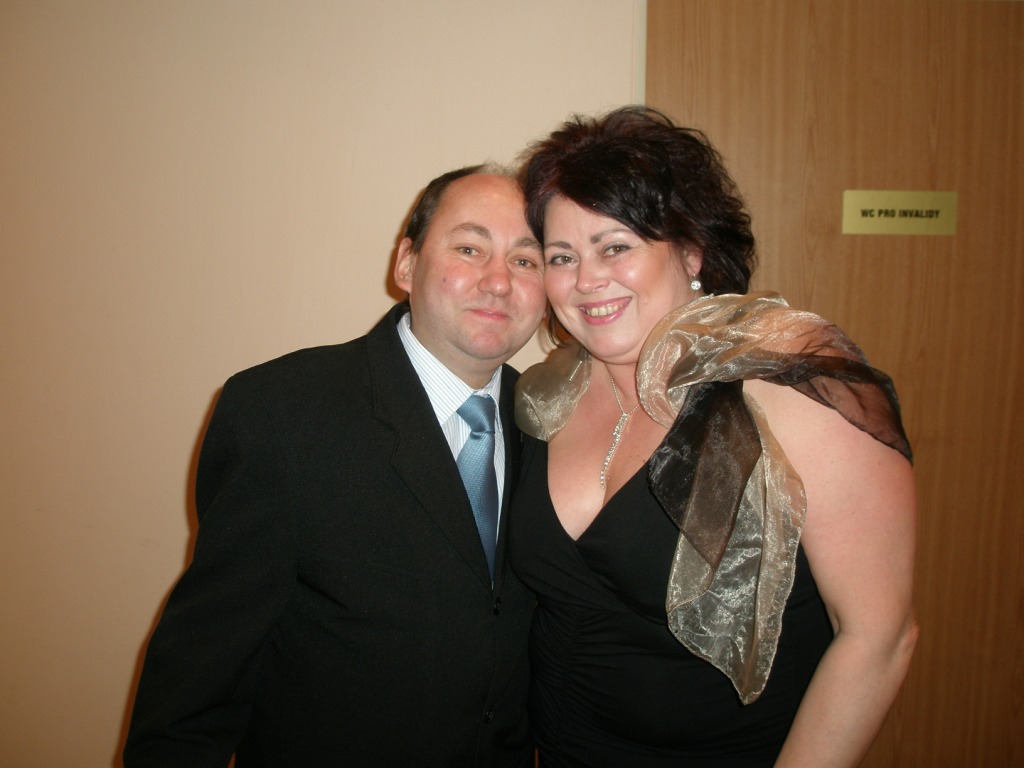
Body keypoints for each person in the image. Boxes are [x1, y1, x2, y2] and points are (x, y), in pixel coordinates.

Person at [510, 106, 918, 767]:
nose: (586, 280)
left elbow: (878, 638)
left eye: (616, 246)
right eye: (562, 256)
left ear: (691, 251)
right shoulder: (543, 394)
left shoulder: (793, 390)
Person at [124, 165, 548, 767]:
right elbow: (195, 685)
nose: (499, 281)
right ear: (407, 263)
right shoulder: (283, 412)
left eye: (526, 260)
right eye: (469, 248)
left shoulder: (549, 425)